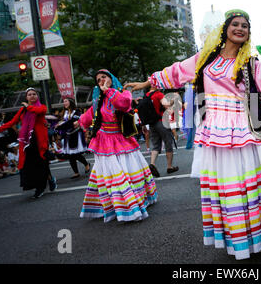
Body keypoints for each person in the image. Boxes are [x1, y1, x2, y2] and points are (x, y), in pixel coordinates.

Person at [125, 9, 261, 260]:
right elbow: (176, 72)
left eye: (245, 26)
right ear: (225, 29)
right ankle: (239, 234)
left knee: (254, 183)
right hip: (217, 130)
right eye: (235, 24)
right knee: (229, 186)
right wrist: (147, 83)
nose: (240, 28)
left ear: (248, 34)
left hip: (247, 128)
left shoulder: (252, 63)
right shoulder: (205, 59)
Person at [76, 69, 157, 222]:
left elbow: (124, 105)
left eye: (104, 77)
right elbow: (88, 117)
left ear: (111, 78)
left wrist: (108, 91)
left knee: (126, 172)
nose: (101, 81)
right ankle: (114, 205)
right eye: (98, 79)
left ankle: (130, 205)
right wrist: (78, 122)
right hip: (103, 142)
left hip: (121, 140)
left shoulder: (123, 92)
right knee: (110, 175)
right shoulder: (98, 100)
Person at [0, 88, 57, 198]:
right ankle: (50, 180)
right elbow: (11, 123)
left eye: (34, 94)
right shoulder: (23, 110)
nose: (32, 96)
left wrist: (28, 106)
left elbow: (39, 112)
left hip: (39, 141)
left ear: (37, 96)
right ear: (26, 97)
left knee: (41, 163)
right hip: (27, 142)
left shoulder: (41, 107)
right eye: (29, 95)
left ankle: (41, 188)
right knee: (32, 165)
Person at [144, 83, 177, 177]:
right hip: (161, 121)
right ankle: (169, 167)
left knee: (156, 145)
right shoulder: (158, 94)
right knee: (168, 143)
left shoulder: (146, 95)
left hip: (152, 123)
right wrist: (173, 100)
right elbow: (166, 106)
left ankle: (152, 163)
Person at [55, 98, 90, 179]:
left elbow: (71, 122)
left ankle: (86, 164)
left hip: (76, 134)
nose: (64, 103)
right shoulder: (64, 112)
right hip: (68, 135)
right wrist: (59, 125)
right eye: (63, 102)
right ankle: (76, 172)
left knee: (76, 153)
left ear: (70, 102)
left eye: (66, 101)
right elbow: (64, 121)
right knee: (70, 154)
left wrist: (60, 126)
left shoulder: (77, 111)